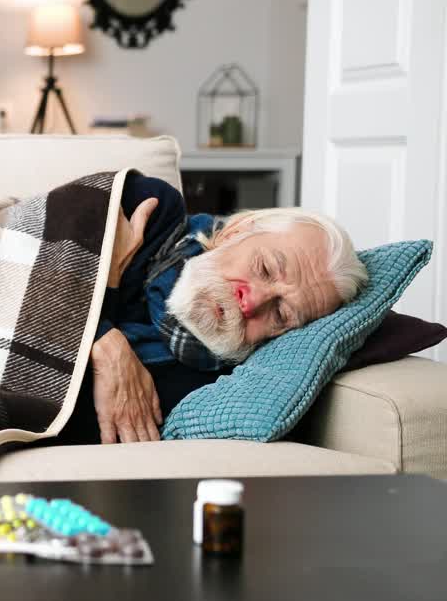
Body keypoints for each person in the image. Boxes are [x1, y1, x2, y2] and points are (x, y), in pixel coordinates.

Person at [54, 173, 368, 446]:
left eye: (281, 314)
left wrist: (101, 293)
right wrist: (101, 337)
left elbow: (52, 417)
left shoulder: (201, 391)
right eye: (266, 268)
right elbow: (19, 260)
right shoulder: (152, 207)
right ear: (236, 232)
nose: (251, 302)